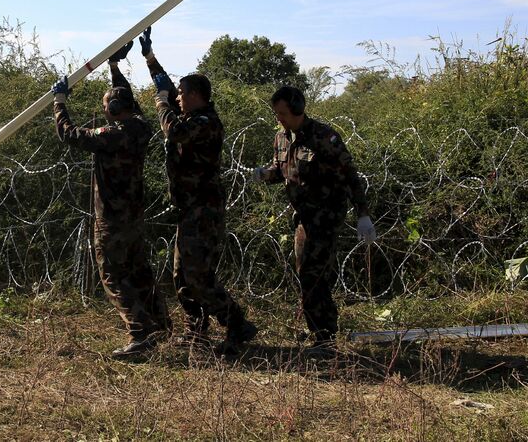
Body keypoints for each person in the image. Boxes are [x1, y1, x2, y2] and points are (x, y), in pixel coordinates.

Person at [51, 40, 171, 360]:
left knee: (114, 276)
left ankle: (140, 333)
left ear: (114, 110)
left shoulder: (110, 136)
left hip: (111, 219)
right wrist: (114, 68)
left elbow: (69, 134)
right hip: (133, 216)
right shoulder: (141, 128)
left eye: (106, 106)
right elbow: (128, 101)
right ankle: (160, 325)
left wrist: (59, 101)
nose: (105, 110)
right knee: (139, 270)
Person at [140, 27, 257, 355]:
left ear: (195, 95)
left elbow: (174, 131)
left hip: (203, 209)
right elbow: (165, 86)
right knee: (182, 275)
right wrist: (150, 58)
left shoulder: (206, 122)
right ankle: (197, 330)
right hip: (189, 208)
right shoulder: (191, 114)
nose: (177, 98)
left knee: (198, 275)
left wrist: (161, 103)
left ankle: (236, 324)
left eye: (182, 94)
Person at [252, 85, 375, 356]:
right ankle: (320, 333)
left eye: (283, 113)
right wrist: (266, 174)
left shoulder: (324, 137)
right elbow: (282, 169)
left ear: (298, 109)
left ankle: (325, 338)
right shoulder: (282, 137)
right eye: (276, 114)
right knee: (305, 274)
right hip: (303, 219)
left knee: (314, 275)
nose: (279, 118)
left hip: (326, 217)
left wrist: (363, 214)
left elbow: (350, 175)